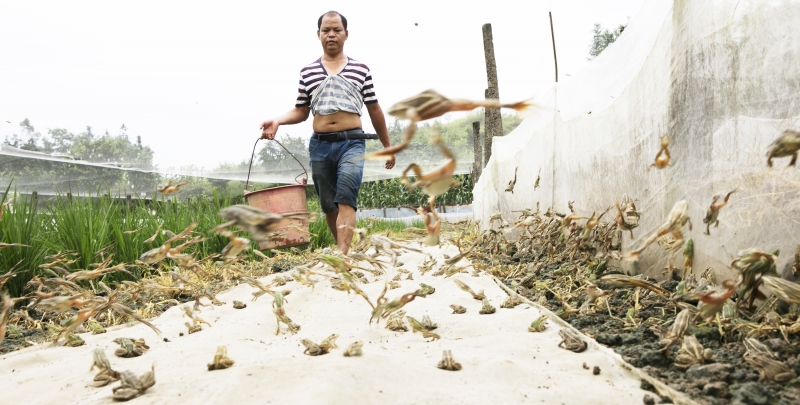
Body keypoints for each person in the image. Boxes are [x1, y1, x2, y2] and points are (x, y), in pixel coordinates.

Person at [260, 10, 394, 255]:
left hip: (352, 143)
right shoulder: (307, 72)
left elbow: (374, 109)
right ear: (318, 34)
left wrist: (387, 146)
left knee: (346, 196)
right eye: (326, 30)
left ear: (346, 34)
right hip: (320, 145)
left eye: (336, 30)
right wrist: (277, 120)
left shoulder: (361, 69)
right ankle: (341, 247)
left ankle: (343, 256)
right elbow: (301, 111)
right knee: (328, 203)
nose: (331, 34)